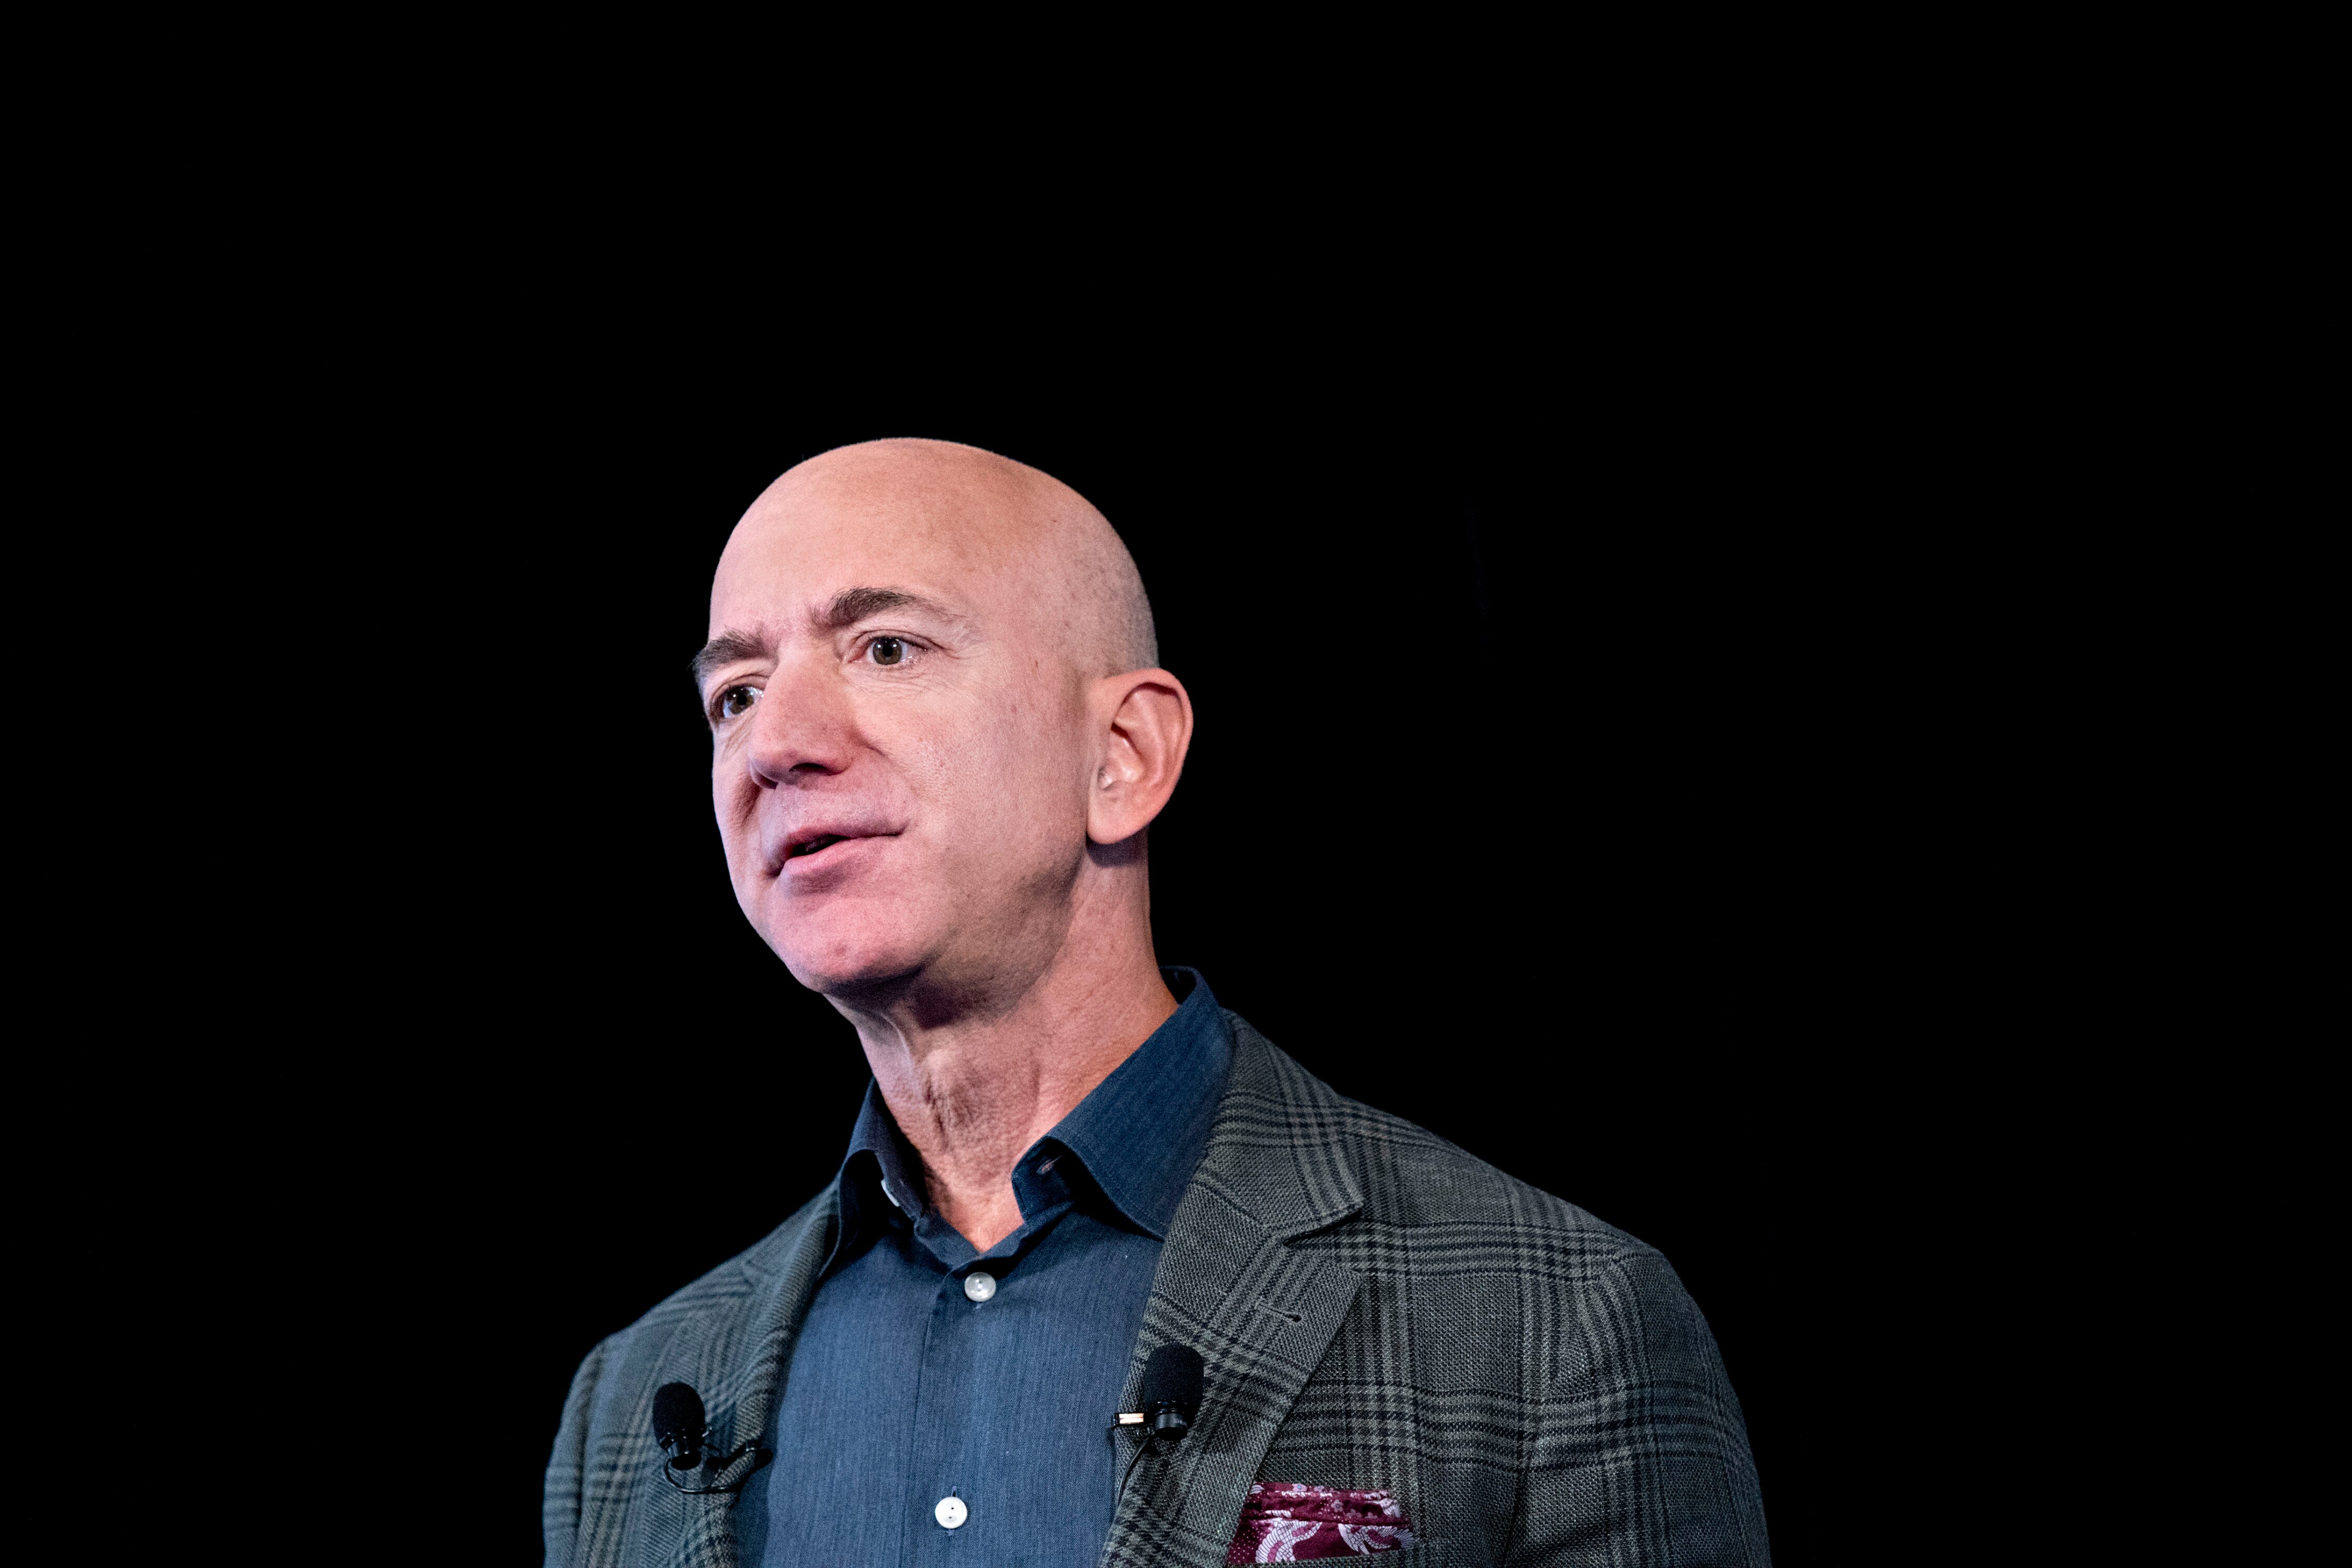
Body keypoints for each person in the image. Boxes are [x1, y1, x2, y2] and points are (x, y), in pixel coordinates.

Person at [542, 439, 1769, 1566]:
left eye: (886, 649)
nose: (776, 744)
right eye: (736, 694)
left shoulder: (1555, 1321)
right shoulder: (628, 1401)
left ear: (1123, 756)